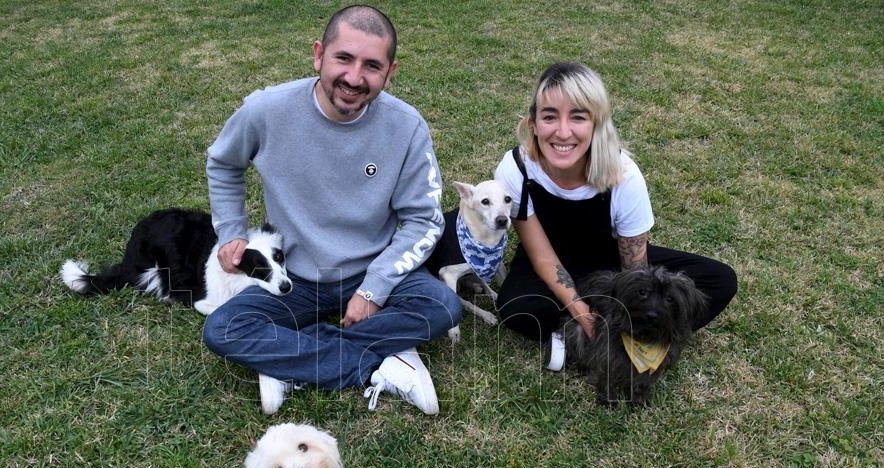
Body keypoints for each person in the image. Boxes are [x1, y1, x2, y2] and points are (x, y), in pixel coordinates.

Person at [202, 5, 460, 415]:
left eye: (372, 66)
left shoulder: (407, 127)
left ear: (390, 73)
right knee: (223, 329)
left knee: (443, 307)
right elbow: (223, 163)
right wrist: (232, 231)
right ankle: (385, 359)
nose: (354, 78)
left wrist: (374, 289)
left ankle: (288, 359)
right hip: (295, 279)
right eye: (344, 58)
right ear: (319, 55)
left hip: (374, 271)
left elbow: (424, 220)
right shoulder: (266, 110)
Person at [494, 62, 737, 368]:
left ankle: (632, 335)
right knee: (517, 308)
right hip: (546, 262)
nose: (563, 132)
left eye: (578, 117)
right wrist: (582, 312)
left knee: (720, 280)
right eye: (550, 116)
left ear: (597, 124)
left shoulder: (624, 175)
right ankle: (588, 336)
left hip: (610, 264)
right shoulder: (516, 168)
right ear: (533, 123)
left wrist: (637, 307)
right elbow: (543, 259)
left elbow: (635, 271)